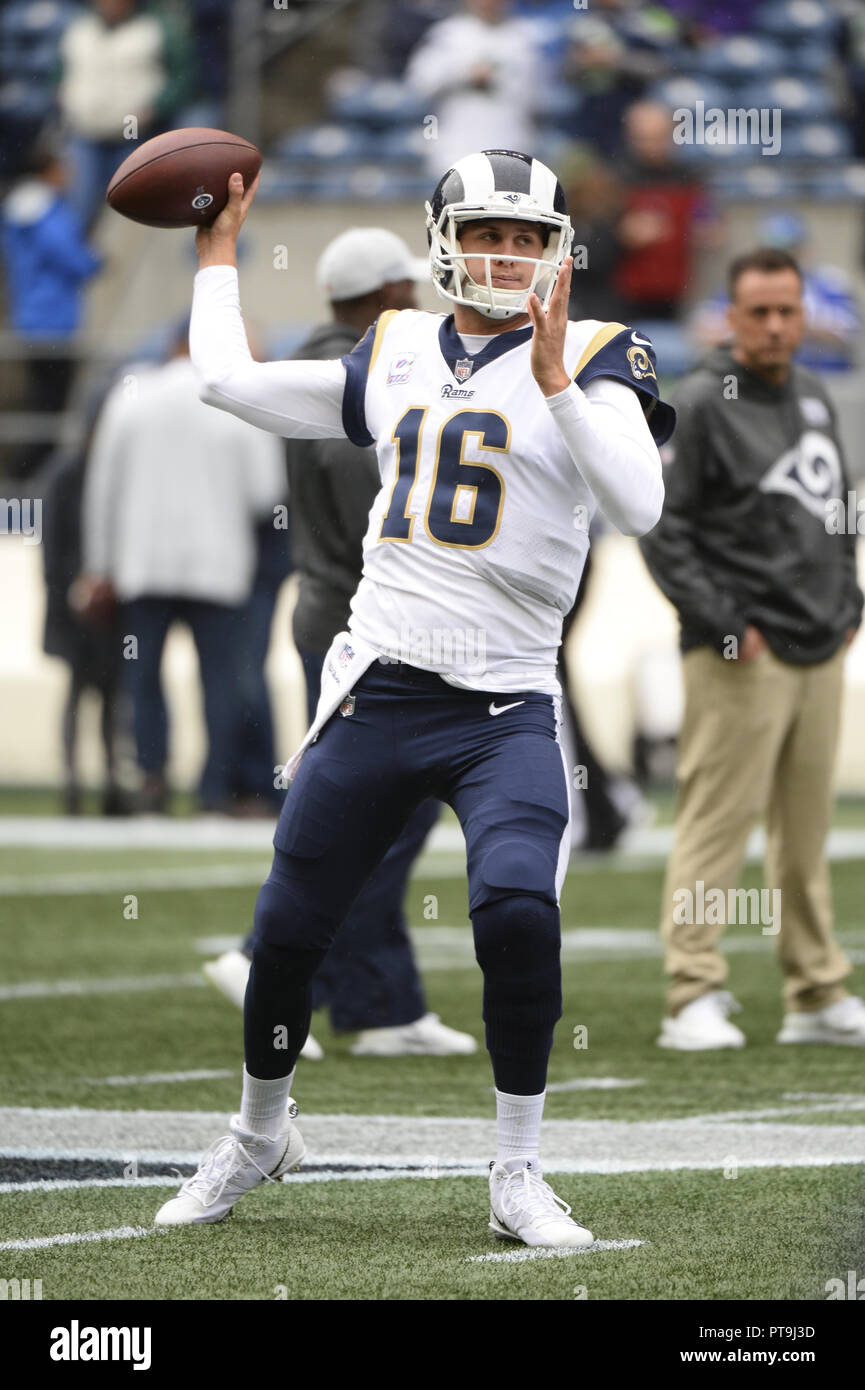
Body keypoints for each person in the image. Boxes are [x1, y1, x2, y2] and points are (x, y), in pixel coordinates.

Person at [154, 149, 672, 1246]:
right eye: (488, 232)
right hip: (381, 685)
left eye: (528, 237)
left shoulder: (595, 352)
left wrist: (554, 385)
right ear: (441, 240)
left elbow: (634, 504)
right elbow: (224, 381)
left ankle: (518, 1171)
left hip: (504, 709)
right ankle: (258, 1131)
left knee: (518, 913)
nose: (506, 254)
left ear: (559, 250)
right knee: (289, 928)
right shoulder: (391, 346)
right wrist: (217, 255)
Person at [206, 226, 477, 1060]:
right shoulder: (361, 380)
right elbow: (399, 512)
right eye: (412, 285)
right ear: (389, 292)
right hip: (357, 623)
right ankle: (262, 959)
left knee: (383, 812)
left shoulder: (324, 363)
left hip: (333, 611)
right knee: (373, 817)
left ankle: (379, 1002)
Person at [639, 247, 865, 1051]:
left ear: (805, 316)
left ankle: (814, 991)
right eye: (759, 312)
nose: (775, 326)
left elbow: (837, 506)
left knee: (806, 834)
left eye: (787, 311)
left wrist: (848, 601)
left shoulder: (811, 393)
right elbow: (662, 530)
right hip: (740, 651)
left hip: (818, 644)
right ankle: (690, 991)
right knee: (715, 822)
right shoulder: (697, 401)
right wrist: (728, 624)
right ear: (730, 318)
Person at [80, 320, 285, 814]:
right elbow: (265, 492)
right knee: (219, 683)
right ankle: (213, 789)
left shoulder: (131, 395)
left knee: (143, 678)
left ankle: (152, 779)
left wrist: (98, 566)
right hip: (218, 567)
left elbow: (101, 489)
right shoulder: (233, 401)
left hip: (143, 566)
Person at [0, 136, 102, 477]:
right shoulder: (46, 213)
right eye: (63, 168)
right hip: (54, 323)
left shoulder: (20, 213)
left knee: (43, 403)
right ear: (49, 172)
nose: (70, 175)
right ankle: (34, 478)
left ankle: (30, 476)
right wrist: (95, 262)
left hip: (31, 319)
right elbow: (73, 259)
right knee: (51, 407)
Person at [405, 0, 542, 175]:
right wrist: (465, 73)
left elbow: (536, 95)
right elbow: (420, 82)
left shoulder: (525, 36)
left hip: (512, 142)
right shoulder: (448, 34)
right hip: (457, 146)